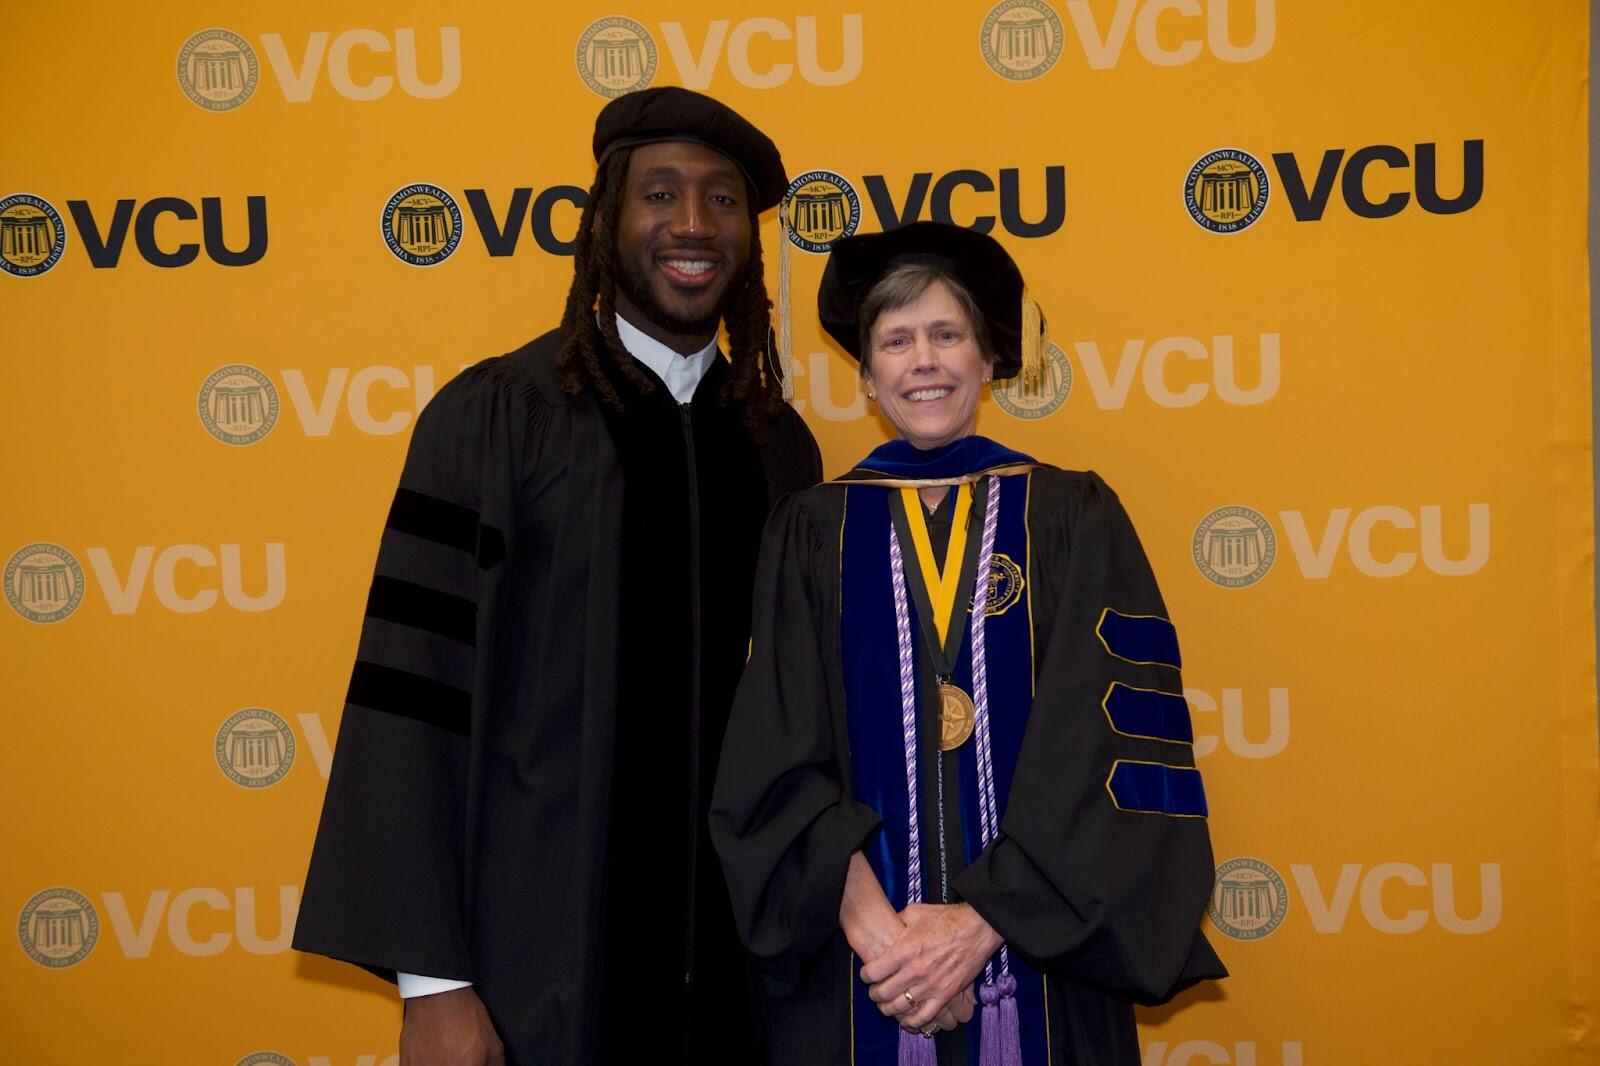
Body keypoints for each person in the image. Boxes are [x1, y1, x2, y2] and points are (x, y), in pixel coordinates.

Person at [293, 87, 821, 1066]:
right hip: (537, 966)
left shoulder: (776, 448)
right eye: (659, 194)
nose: (693, 224)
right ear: (609, 219)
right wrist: (434, 986)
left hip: (742, 983)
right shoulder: (497, 418)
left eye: (722, 200)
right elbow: (411, 700)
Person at [711, 221, 1226, 1066]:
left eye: (948, 335)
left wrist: (981, 924)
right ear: (870, 377)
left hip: (1040, 962)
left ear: (988, 361)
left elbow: (1113, 750)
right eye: (896, 341)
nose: (925, 361)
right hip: (861, 972)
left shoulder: (1071, 517)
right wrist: (890, 948)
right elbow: (773, 757)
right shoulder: (811, 531)